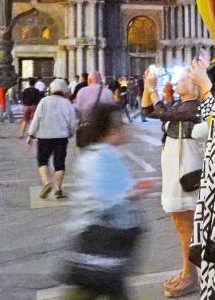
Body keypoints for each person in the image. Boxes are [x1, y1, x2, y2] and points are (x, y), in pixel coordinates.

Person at [65, 103, 152, 299]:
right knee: (89, 290)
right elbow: (103, 199)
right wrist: (132, 194)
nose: (127, 128)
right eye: (123, 124)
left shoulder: (97, 154)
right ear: (113, 129)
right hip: (103, 242)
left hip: (100, 241)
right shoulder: (103, 157)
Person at [141, 59, 211, 297]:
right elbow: (148, 111)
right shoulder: (180, 105)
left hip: (185, 168)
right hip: (175, 165)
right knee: (181, 222)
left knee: (185, 223)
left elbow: (163, 112)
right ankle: (187, 271)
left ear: (192, 86)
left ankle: (190, 274)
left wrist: (153, 90)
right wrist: (146, 87)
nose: (175, 82)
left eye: (181, 80)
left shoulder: (191, 107)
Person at [27, 78, 78, 199]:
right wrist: (71, 133)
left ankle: (46, 183)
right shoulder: (67, 103)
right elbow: (73, 122)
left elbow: (36, 118)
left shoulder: (44, 101)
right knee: (59, 163)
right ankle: (58, 189)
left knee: (42, 161)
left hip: (44, 136)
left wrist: (30, 134)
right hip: (61, 137)